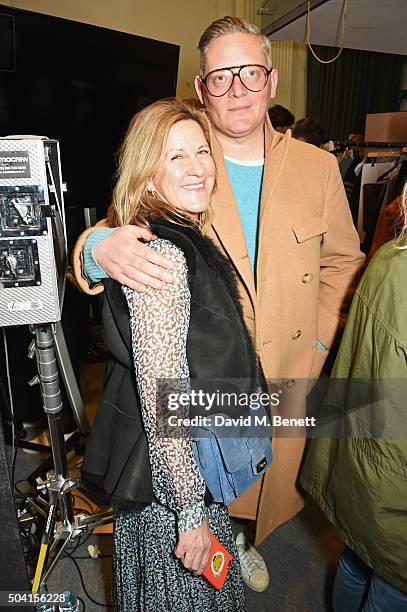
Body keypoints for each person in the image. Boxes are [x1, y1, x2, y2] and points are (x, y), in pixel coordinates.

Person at [73, 16, 365, 592]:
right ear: (202, 87)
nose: (237, 89)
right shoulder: (182, 149)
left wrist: (321, 344)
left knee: (262, 482)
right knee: (206, 487)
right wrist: (98, 248)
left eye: (250, 74)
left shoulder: (318, 168)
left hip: (284, 373)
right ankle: (218, 534)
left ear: (272, 81)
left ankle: (243, 539)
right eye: (221, 76)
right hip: (200, 382)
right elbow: (120, 220)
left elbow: (342, 265)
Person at [82, 98, 250, 611]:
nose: (198, 166)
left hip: (170, 475)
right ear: (148, 175)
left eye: (201, 151)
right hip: (175, 482)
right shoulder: (166, 256)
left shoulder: (172, 232)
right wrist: (192, 515)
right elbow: (165, 400)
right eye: (176, 157)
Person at [300, 182, 407, 610]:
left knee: (360, 559)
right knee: (392, 587)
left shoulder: (390, 257)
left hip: (364, 460)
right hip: (394, 482)